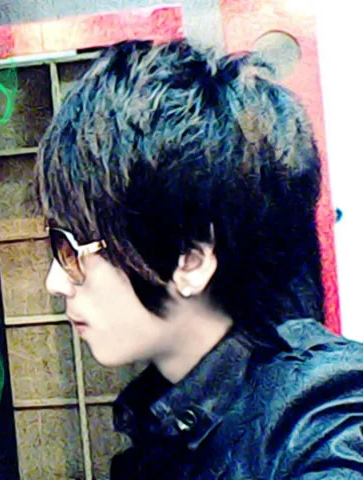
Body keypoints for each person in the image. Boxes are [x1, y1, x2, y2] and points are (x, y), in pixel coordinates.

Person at [35, 39, 363, 479]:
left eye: (71, 250)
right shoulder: (163, 422)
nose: (55, 282)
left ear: (190, 260)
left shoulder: (323, 418)